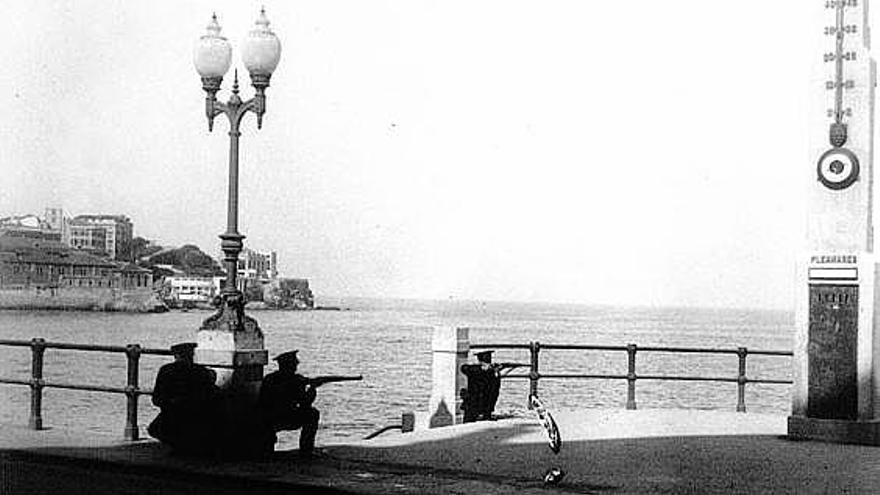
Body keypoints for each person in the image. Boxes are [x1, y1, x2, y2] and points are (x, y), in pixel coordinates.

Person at [147, 342, 220, 455]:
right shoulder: (200, 371)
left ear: (176, 355)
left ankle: (178, 446)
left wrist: (171, 403)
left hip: (171, 416)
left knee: (156, 428)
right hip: (197, 417)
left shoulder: (166, 370)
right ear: (192, 355)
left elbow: (157, 399)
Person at [258, 350, 321, 457]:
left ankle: (267, 452)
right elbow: (305, 403)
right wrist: (312, 389)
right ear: (289, 365)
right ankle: (306, 451)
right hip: (280, 416)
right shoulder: (295, 381)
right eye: (294, 363)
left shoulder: (270, 378)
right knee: (312, 414)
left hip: (271, 416)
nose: (297, 364)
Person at [460, 350, 516, 422]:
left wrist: (497, 371)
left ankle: (487, 414)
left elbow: (495, 388)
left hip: (486, 402)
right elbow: (464, 368)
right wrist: (481, 368)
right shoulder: (474, 369)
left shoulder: (491, 372)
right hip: (473, 403)